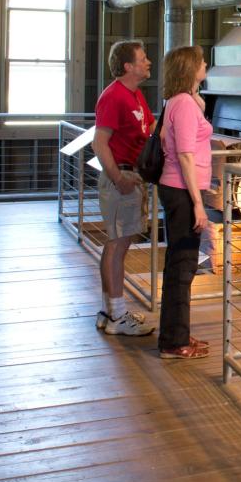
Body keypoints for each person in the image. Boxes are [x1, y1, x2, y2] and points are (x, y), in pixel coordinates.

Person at [91, 40, 155, 336]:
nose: (148, 62)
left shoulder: (136, 95)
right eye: (143, 59)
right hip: (122, 182)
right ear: (128, 66)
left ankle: (110, 311)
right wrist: (118, 178)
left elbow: (150, 129)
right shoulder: (114, 96)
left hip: (132, 179)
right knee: (116, 246)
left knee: (119, 245)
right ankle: (116, 316)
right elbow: (99, 142)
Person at [156, 45, 214, 359]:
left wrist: (195, 94)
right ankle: (173, 343)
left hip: (176, 188)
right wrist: (198, 204)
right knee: (182, 267)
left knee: (181, 265)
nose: (206, 63)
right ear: (190, 68)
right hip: (183, 191)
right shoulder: (185, 105)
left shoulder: (178, 102)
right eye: (201, 61)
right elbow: (186, 156)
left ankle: (177, 335)